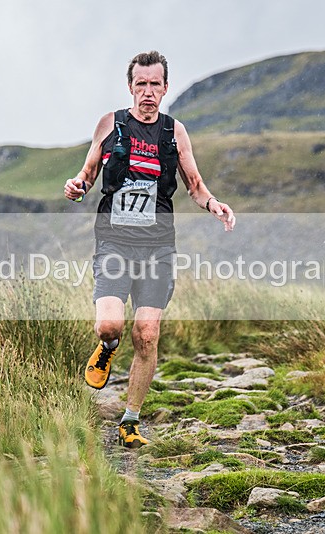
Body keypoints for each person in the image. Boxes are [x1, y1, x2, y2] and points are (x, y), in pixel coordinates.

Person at [63, 51, 235, 449]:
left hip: (158, 247)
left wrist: (214, 205)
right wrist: (76, 186)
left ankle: (130, 419)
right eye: (140, 84)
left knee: (147, 333)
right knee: (110, 326)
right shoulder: (112, 124)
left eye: (154, 84)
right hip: (114, 242)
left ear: (165, 88)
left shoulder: (175, 132)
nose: (147, 92)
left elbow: (194, 185)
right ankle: (106, 349)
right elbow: (87, 174)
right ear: (130, 87)